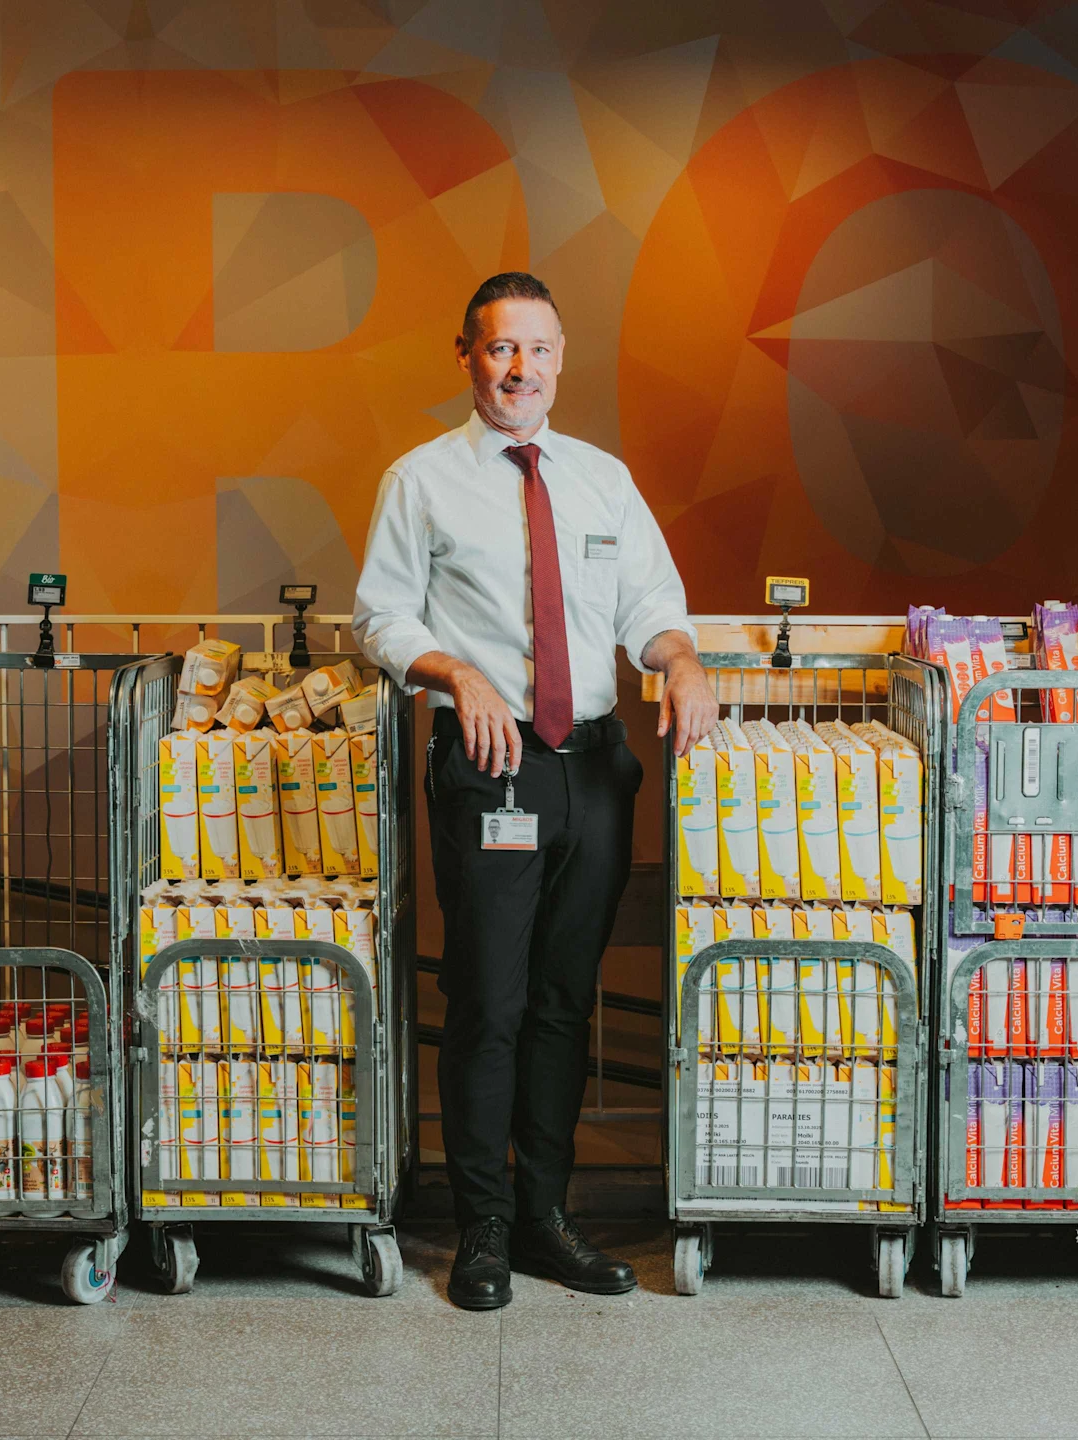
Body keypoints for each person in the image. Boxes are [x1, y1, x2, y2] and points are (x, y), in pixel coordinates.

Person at [354, 272, 717, 1310]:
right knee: (490, 1003)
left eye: (539, 349)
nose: (521, 369)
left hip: (592, 770)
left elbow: (651, 602)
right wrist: (456, 671)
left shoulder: (603, 479)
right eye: (500, 349)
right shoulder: (421, 480)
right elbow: (380, 616)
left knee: (565, 1003)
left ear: (563, 357)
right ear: (464, 355)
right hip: (491, 765)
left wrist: (682, 661)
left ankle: (547, 1217)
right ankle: (481, 1231)